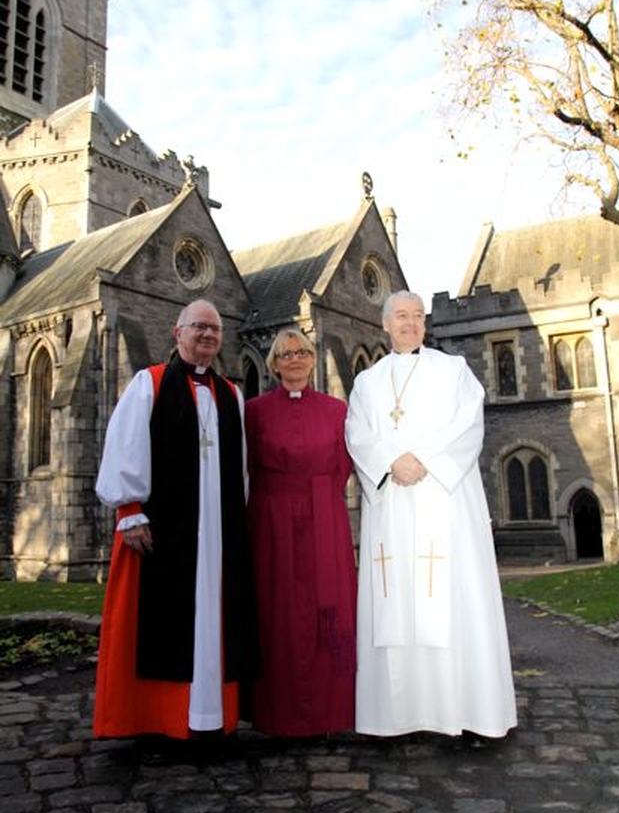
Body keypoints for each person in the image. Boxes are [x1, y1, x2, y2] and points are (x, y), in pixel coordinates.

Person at [345, 290, 517, 739]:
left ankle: (467, 713)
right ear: (385, 323)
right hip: (393, 507)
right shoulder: (367, 382)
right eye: (401, 316)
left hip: (446, 501)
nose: (410, 323)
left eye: (418, 316)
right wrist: (389, 462)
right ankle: (397, 717)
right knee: (394, 601)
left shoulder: (453, 370)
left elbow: (468, 424)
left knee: (454, 598)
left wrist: (424, 462)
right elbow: (356, 433)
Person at [93, 299, 259, 754]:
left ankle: (211, 720)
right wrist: (129, 510)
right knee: (166, 619)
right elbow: (124, 445)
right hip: (163, 528)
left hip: (218, 531)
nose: (207, 335)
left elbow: (241, 467)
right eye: (198, 327)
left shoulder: (233, 394)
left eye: (215, 328)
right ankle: (161, 719)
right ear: (177, 332)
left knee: (216, 621)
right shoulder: (149, 384)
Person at [245, 328, 357, 736]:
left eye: (302, 352)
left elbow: (343, 464)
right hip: (271, 522)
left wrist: (319, 500)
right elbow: (249, 465)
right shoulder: (254, 411)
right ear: (274, 365)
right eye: (285, 353)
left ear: (313, 359)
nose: (295, 358)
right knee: (278, 611)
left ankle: (331, 712)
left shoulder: (336, 409)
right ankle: (277, 713)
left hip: (324, 518)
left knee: (328, 609)